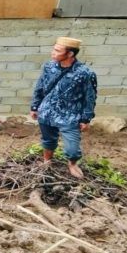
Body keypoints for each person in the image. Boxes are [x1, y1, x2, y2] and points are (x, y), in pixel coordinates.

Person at [30, 37, 98, 179]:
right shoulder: (49, 67)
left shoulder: (85, 73)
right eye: (54, 49)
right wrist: (35, 106)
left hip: (70, 115)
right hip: (47, 112)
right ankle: (47, 161)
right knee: (48, 140)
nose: (52, 53)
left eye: (57, 50)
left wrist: (86, 118)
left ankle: (72, 164)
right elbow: (40, 87)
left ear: (70, 54)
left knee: (72, 148)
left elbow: (90, 97)